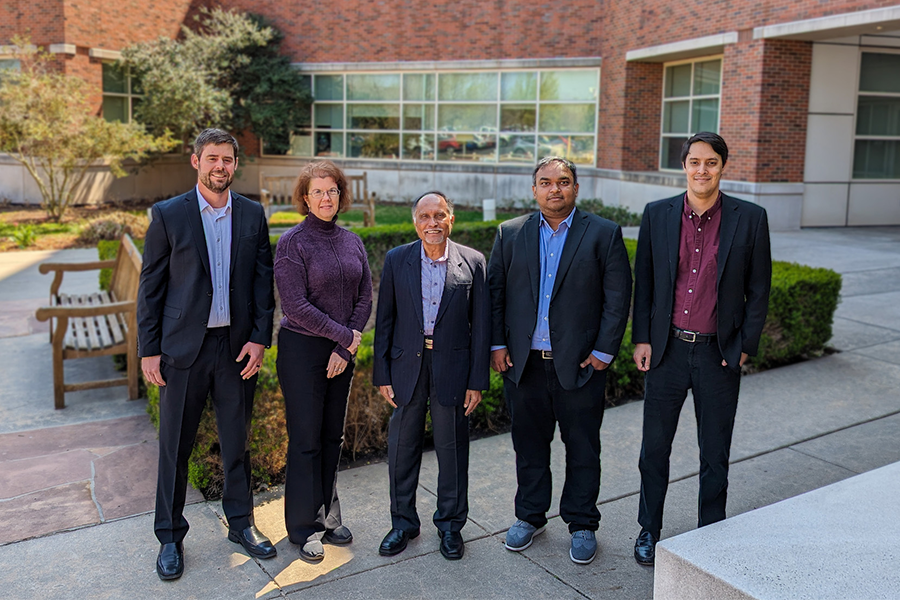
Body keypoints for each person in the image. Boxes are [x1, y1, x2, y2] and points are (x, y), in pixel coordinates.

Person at [138, 128, 276, 581]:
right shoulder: (167, 214)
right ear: (196, 161)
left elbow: (262, 282)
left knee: (237, 442)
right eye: (212, 158)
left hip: (236, 349)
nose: (220, 166)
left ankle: (242, 524)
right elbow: (151, 287)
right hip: (183, 350)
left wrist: (259, 338)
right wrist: (149, 349)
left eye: (227, 159)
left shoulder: (252, 213)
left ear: (235, 164)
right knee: (175, 447)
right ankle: (169, 536)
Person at [631, 132, 771, 566]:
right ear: (684, 166)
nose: (702, 170)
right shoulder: (657, 214)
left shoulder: (750, 217)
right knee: (654, 450)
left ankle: (711, 531)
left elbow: (759, 289)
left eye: (711, 162)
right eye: (694, 162)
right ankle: (648, 529)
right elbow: (645, 282)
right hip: (667, 352)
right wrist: (642, 337)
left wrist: (744, 345)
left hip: (718, 355)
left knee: (714, 452)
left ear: (723, 166)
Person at [488, 157, 632, 565]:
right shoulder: (510, 233)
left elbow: (617, 297)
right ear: (534, 189)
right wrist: (497, 345)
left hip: (582, 365)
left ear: (576, 188)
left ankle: (582, 522)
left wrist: (603, 353)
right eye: (546, 182)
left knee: (582, 447)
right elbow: (495, 293)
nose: (555, 189)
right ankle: (530, 516)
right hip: (524, 365)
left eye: (564, 182)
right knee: (529, 446)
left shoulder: (603, 233)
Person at [373, 191, 490, 561]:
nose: (432, 223)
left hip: (452, 369)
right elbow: (385, 320)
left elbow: (481, 327)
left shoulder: (473, 262)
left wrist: (477, 380)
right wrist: (382, 372)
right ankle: (403, 523)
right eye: (424, 216)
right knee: (401, 449)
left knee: (452, 450)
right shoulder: (397, 259)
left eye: (439, 215)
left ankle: (451, 526)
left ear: (451, 219)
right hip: (406, 366)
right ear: (415, 222)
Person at [274, 160, 372, 561]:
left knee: (333, 436)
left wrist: (345, 348)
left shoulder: (352, 241)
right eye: (317, 191)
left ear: (340, 195)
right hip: (302, 351)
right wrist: (344, 337)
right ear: (305, 197)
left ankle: (329, 518)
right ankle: (304, 528)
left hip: (340, 353)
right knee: (306, 440)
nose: (326, 197)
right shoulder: (292, 243)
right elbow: (294, 306)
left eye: (332, 190)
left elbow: (365, 295)